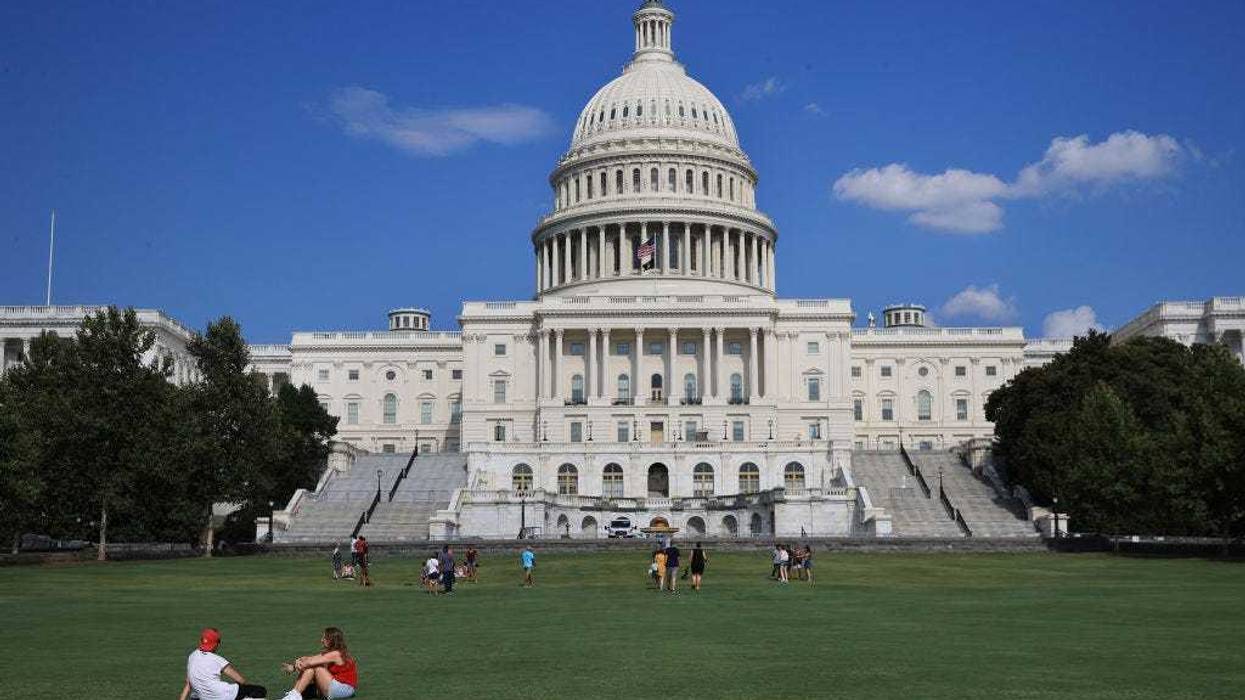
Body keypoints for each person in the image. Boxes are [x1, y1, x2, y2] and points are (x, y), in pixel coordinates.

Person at [179, 627, 267, 700]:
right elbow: (241, 680)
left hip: (202, 697)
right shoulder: (217, 660)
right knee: (260, 691)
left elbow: (188, 684)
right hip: (224, 694)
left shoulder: (192, 656)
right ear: (216, 644)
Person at [279, 627, 357, 700]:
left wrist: (296, 665)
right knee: (311, 668)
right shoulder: (330, 653)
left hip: (344, 689)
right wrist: (295, 665)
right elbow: (308, 659)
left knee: (316, 667)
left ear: (332, 640)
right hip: (337, 687)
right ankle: (294, 693)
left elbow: (309, 663)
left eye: (325, 638)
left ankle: (295, 695)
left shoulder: (336, 654)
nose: (321, 640)